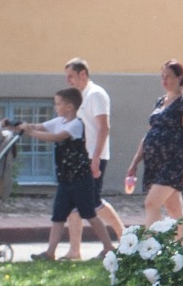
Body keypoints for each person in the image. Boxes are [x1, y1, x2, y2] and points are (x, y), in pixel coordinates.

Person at [19, 87, 117, 260]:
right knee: (58, 216)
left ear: (70, 107)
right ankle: (50, 252)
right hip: (65, 180)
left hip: (80, 179)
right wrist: (18, 126)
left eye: (58, 104)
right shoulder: (60, 121)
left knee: (89, 214)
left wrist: (31, 133)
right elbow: (39, 126)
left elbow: (57, 137)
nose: (56, 107)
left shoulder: (76, 124)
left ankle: (109, 247)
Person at [62, 58, 124, 259]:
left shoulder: (95, 94)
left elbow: (103, 128)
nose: (68, 81)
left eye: (71, 76)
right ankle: (74, 251)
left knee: (93, 202)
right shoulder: (79, 97)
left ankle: (124, 237)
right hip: (80, 159)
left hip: (93, 157)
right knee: (74, 204)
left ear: (83, 74)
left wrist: (95, 158)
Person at [127, 60, 183, 227]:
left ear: (180, 77)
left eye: (168, 76)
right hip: (154, 163)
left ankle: (150, 248)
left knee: (151, 203)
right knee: (174, 210)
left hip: (173, 163)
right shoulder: (160, 102)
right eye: (162, 76)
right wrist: (135, 162)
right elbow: (150, 134)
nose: (164, 80)